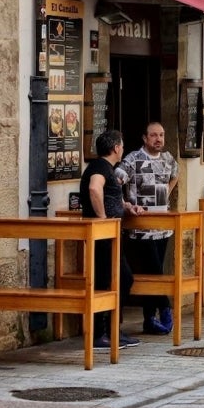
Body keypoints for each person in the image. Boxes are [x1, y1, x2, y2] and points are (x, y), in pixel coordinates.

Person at [80, 130, 143, 349]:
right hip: (103, 235)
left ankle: (113, 330)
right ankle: (101, 333)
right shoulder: (99, 167)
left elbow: (109, 195)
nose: (123, 149)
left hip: (111, 234)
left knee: (118, 280)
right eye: (122, 146)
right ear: (116, 148)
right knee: (110, 280)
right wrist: (102, 218)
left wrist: (127, 206)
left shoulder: (107, 168)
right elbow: (94, 189)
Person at [117, 122, 179, 335]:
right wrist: (125, 204)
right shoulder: (133, 159)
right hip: (140, 227)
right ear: (145, 138)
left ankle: (149, 319)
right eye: (154, 135)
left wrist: (166, 194)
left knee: (155, 271)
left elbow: (175, 175)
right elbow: (116, 179)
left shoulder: (168, 159)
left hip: (162, 226)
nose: (158, 139)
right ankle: (164, 307)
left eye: (161, 135)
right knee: (154, 271)